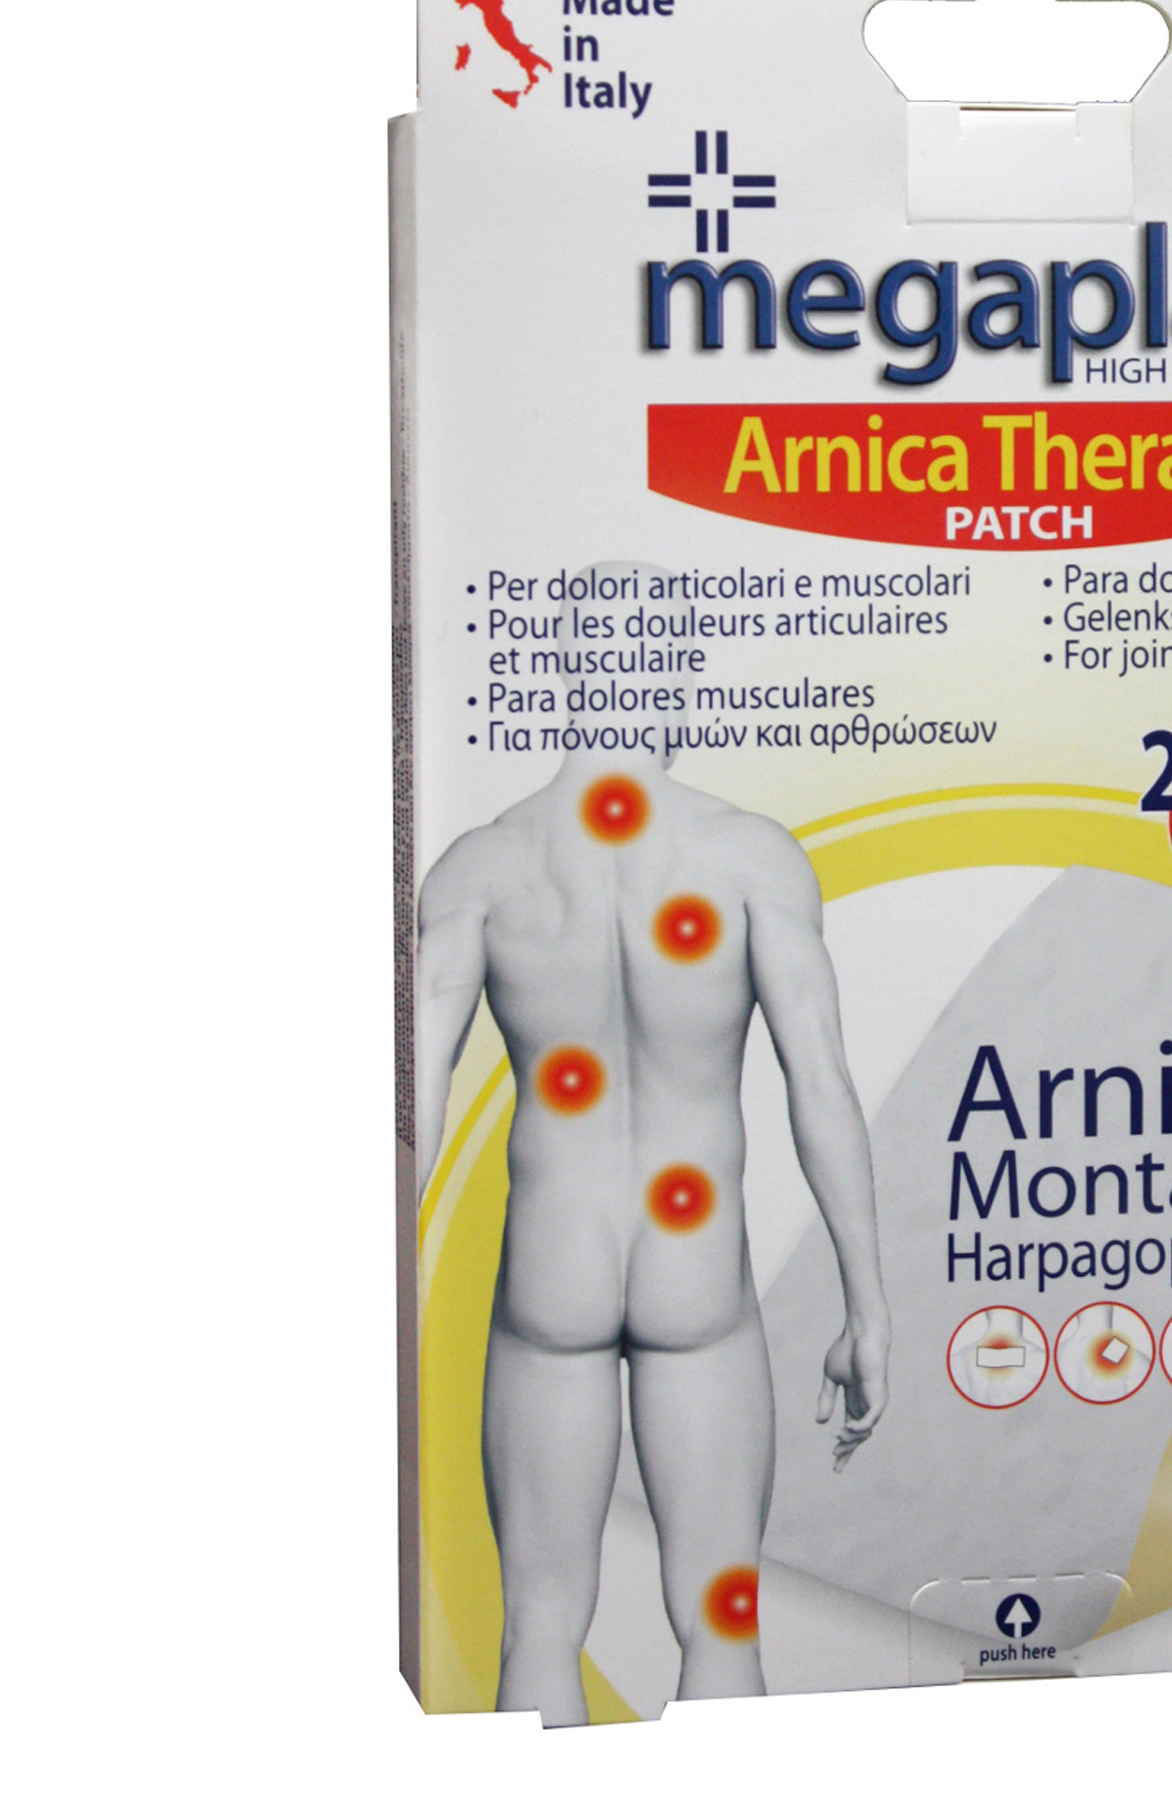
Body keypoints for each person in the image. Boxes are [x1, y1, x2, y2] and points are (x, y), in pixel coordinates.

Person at [415, 706, 891, 1725]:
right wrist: (868, 1308)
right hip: (694, 1262)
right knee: (722, 1623)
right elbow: (820, 1084)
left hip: (555, 1256)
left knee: (539, 1626)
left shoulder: (482, 866)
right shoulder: (748, 855)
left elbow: (412, 1101)